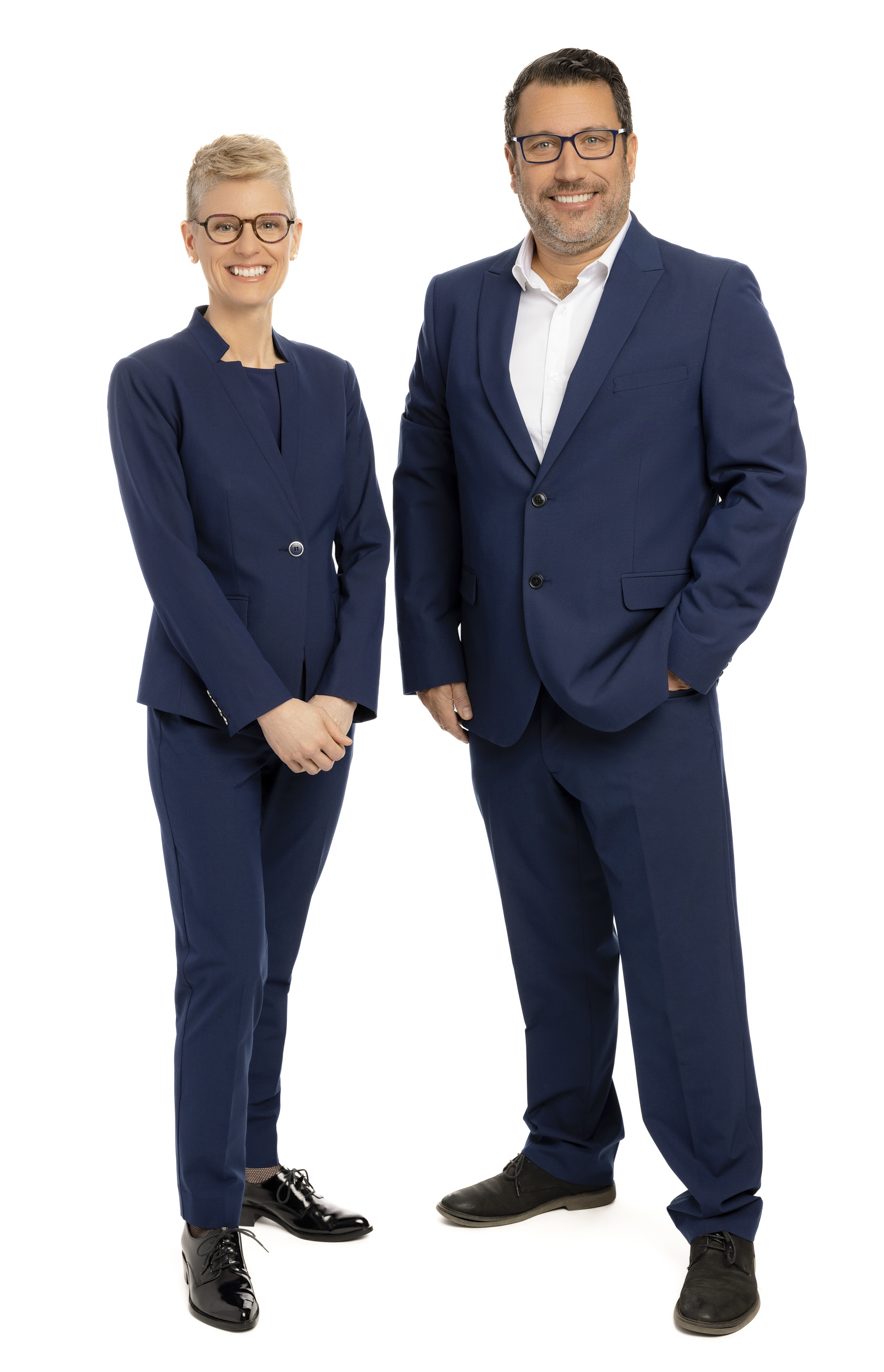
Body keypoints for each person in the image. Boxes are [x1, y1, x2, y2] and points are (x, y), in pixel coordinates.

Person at [393, 49, 805, 1336]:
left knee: (685, 967)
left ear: (630, 148)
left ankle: (721, 1213)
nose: (566, 167)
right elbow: (428, 482)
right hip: (504, 697)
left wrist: (690, 648)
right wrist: (433, 651)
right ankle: (568, 1149)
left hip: (649, 693)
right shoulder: (457, 303)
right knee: (550, 946)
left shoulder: (708, 296)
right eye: (540, 144)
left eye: (590, 141)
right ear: (507, 159)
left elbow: (764, 478)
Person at [108, 134, 390, 1333]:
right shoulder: (149, 379)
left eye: (267, 224)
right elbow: (170, 560)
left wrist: (336, 694)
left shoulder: (330, 380)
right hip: (209, 719)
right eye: (224, 226)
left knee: (277, 952)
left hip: (320, 723)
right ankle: (204, 1214)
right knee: (222, 959)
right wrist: (264, 703)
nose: (247, 246)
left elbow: (365, 542)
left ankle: (258, 1169)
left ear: (295, 235)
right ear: (191, 239)